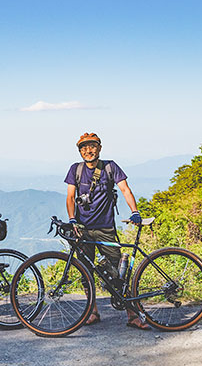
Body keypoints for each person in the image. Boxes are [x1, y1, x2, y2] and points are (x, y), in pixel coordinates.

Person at [64, 132, 150, 330]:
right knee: (86, 271)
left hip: (106, 229)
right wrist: (72, 219)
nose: (88, 150)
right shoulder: (75, 170)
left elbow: (125, 189)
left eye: (92, 146)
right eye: (84, 148)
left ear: (99, 148)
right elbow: (70, 197)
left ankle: (132, 315)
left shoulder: (110, 167)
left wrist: (135, 211)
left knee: (118, 274)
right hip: (83, 230)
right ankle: (92, 312)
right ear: (80, 151)